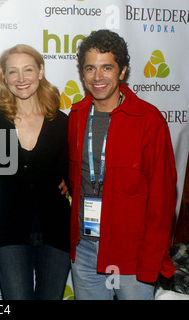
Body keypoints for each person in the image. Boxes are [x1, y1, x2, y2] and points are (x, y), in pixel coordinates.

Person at [68, 29, 177, 300]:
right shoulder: (76, 115)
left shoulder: (149, 121)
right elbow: (75, 174)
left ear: (123, 71)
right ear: (82, 74)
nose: (97, 77)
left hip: (132, 255)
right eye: (90, 68)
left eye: (107, 67)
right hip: (84, 250)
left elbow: (162, 200)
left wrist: (151, 260)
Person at [0, 44, 71, 300]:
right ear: (4, 77)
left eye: (28, 70)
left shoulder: (62, 122)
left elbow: (78, 163)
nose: (21, 79)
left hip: (56, 230)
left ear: (41, 72)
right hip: (10, 230)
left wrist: (72, 181)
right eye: (13, 72)